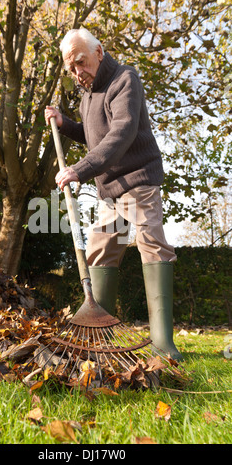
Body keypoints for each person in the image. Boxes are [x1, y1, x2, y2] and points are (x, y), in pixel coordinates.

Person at [44, 28, 183, 361]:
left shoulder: (125, 80)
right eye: (71, 68)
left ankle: (163, 342)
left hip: (137, 180)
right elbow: (95, 137)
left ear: (99, 51)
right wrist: (66, 124)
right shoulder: (87, 92)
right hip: (109, 189)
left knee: (152, 244)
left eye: (81, 62)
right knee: (101, 250)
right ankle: (98, 333)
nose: (78, 72)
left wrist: (80, 169)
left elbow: (121, 132)